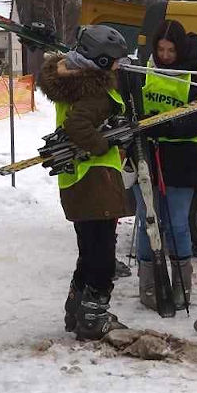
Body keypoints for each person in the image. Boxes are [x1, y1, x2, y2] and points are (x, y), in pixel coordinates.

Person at [38, 25, 135, 340]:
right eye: (116, 60)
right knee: (103, 254)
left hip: (75, 179)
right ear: (102, 62)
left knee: (89, 249)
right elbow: (78, 124)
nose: (120, 65)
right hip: (96, 179)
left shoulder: (69, 80)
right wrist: (105, 144)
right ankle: (94, 316)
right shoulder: (93, 90)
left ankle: (77, 308)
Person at [132, 19, 197, 310]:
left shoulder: (196, 77)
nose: (165, 55)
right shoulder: (144, 72)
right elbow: (132, 107)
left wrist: (164, 125)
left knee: (177, 223)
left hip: (183, 160)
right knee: (148, 222)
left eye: (170, 50)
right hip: (147, 158)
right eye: (161, 49)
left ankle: (181, 284)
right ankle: (150, 284)